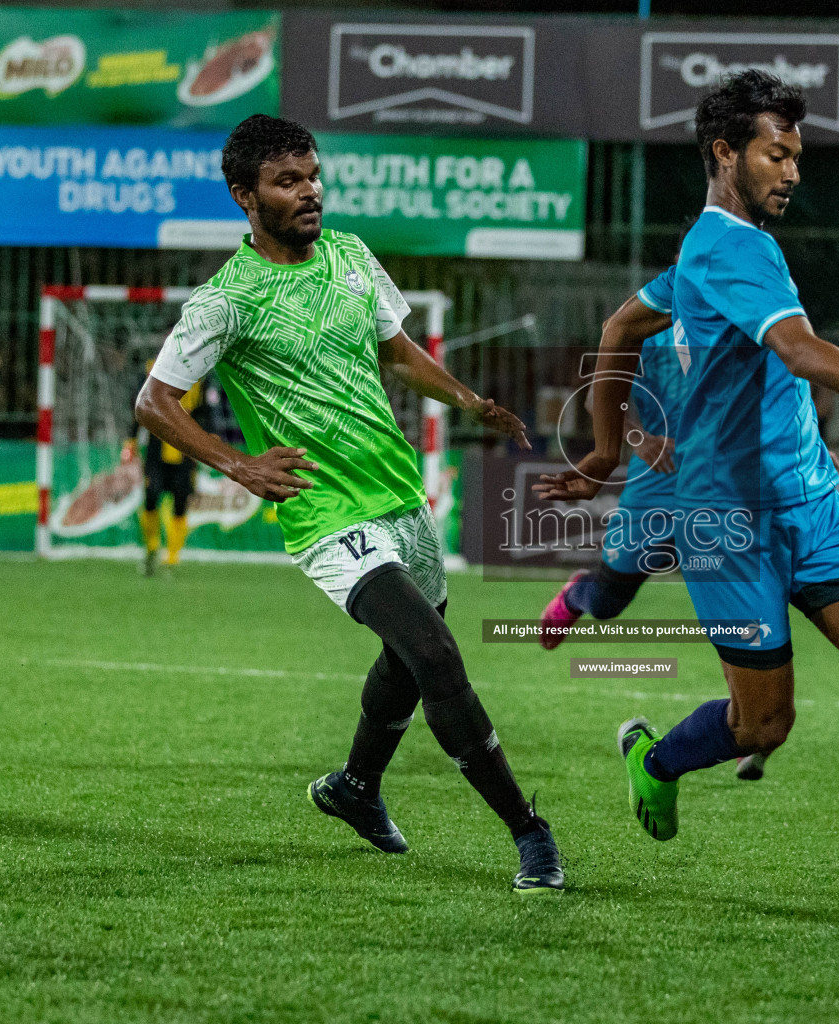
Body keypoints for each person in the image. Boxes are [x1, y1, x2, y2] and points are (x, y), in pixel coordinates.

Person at [534, 72, 839, 942]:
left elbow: (617, 331)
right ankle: (656, 759)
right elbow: (799, 349)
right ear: (724, 154)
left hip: (810, 500)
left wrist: (604, 448)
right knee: (765, 724)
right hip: (727, 523)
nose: (791, 170)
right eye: (773, 153)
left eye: (796, 154)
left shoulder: (710, 256)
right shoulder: (726, 249)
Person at [133, 114, 563, 894]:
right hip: (325, 511)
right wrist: (238, 465)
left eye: (313, 175)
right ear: (245, 195)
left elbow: (398, 352)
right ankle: (530, 834)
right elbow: (155, 401)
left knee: (406, 656)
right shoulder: (225, 302)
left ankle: (355, 789)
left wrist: (470, 400)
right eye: (287, 181)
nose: (309, 192)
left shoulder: (352, 256)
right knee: (433, 655)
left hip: (397, 493)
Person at [536, 260, 770, 782]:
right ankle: (577, 595)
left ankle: (750, 723)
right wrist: (640, 439)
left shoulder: (748, 322)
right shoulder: (653, 324)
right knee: (610, 603)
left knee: (736, 603)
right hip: (656, 480)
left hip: (725, 485)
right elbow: (614, 388)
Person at [124, 366, 212, 575]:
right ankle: (152, 547)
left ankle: (172, 558)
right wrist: (131, 441)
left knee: (181, 502)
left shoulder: (200, 378)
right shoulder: (152, 369)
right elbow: (140, 406)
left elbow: (205, 413)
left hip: (186, 451)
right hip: (156, 449)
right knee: (151, 496)